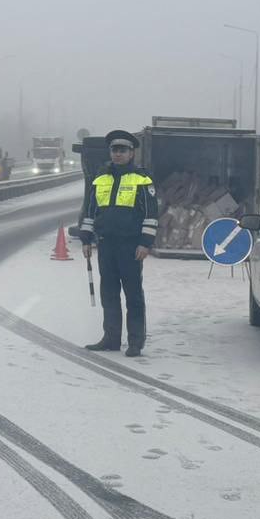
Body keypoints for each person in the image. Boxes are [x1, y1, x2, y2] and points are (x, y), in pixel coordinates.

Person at [78, 130, 158, 356]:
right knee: (109, 294)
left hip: (131, 247)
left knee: (133, 296)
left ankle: (135, 342)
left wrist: (145, 243)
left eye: (123, 150)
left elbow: (151, 214)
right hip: (106, 245)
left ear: (131, 153)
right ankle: (111, 338)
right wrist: (86, 239)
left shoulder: (142, 179)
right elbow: (90, 212)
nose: (118, 154)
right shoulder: (100, 178)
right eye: (114, 150)